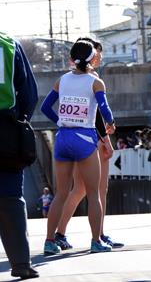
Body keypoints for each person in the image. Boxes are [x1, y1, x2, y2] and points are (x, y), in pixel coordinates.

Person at [40, 40, 115, 254]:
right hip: (85, 138)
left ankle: (49, 241)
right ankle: (96, 241)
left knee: (61, 193)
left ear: (72, 58)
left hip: (63, 137)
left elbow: (45, 107)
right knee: (93, 193)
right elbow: (105, 109)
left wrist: (61, 121)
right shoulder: (95, 82)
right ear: (92, 58)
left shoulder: (61, 80)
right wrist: (110, 124)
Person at [0, 32, 39, 279]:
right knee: (11, 199)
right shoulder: (8, 44)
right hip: (5, 131)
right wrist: (18, 121)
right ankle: (21, 264)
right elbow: (29, 94)